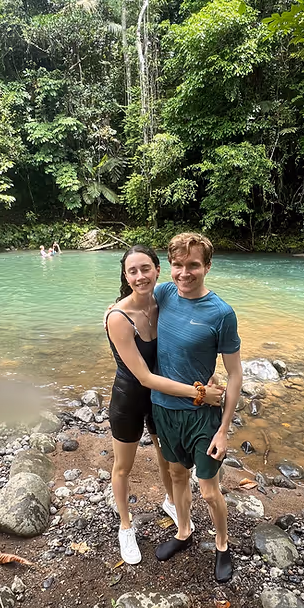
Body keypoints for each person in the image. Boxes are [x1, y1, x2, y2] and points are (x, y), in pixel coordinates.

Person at [106, 245, 223, 565]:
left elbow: (189, 346)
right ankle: (126, 527)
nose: (140, 276)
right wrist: (198, 394)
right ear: (126, 276)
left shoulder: (166, 301)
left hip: (164, 399)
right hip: (130, 397)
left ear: (158, 270)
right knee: (123, 466)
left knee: (166, 459)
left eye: (146, 269)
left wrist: (209, 375)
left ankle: (172, 502)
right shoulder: (118, 317)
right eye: (133, 271)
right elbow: (143, 377)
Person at [151, 232, 243, 584]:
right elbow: (133, 307)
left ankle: (222, 544)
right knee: (176, 475)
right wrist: (111, 312)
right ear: (169, 267)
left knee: (208, 488)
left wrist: (224, 429)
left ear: (206, 266)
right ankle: (184, 532)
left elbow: (234, 376)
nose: (184, 273)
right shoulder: (163, 293)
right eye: (177, 265)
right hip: (163, 409)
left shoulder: (221, 313)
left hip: (202, 415)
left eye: (193, 265)